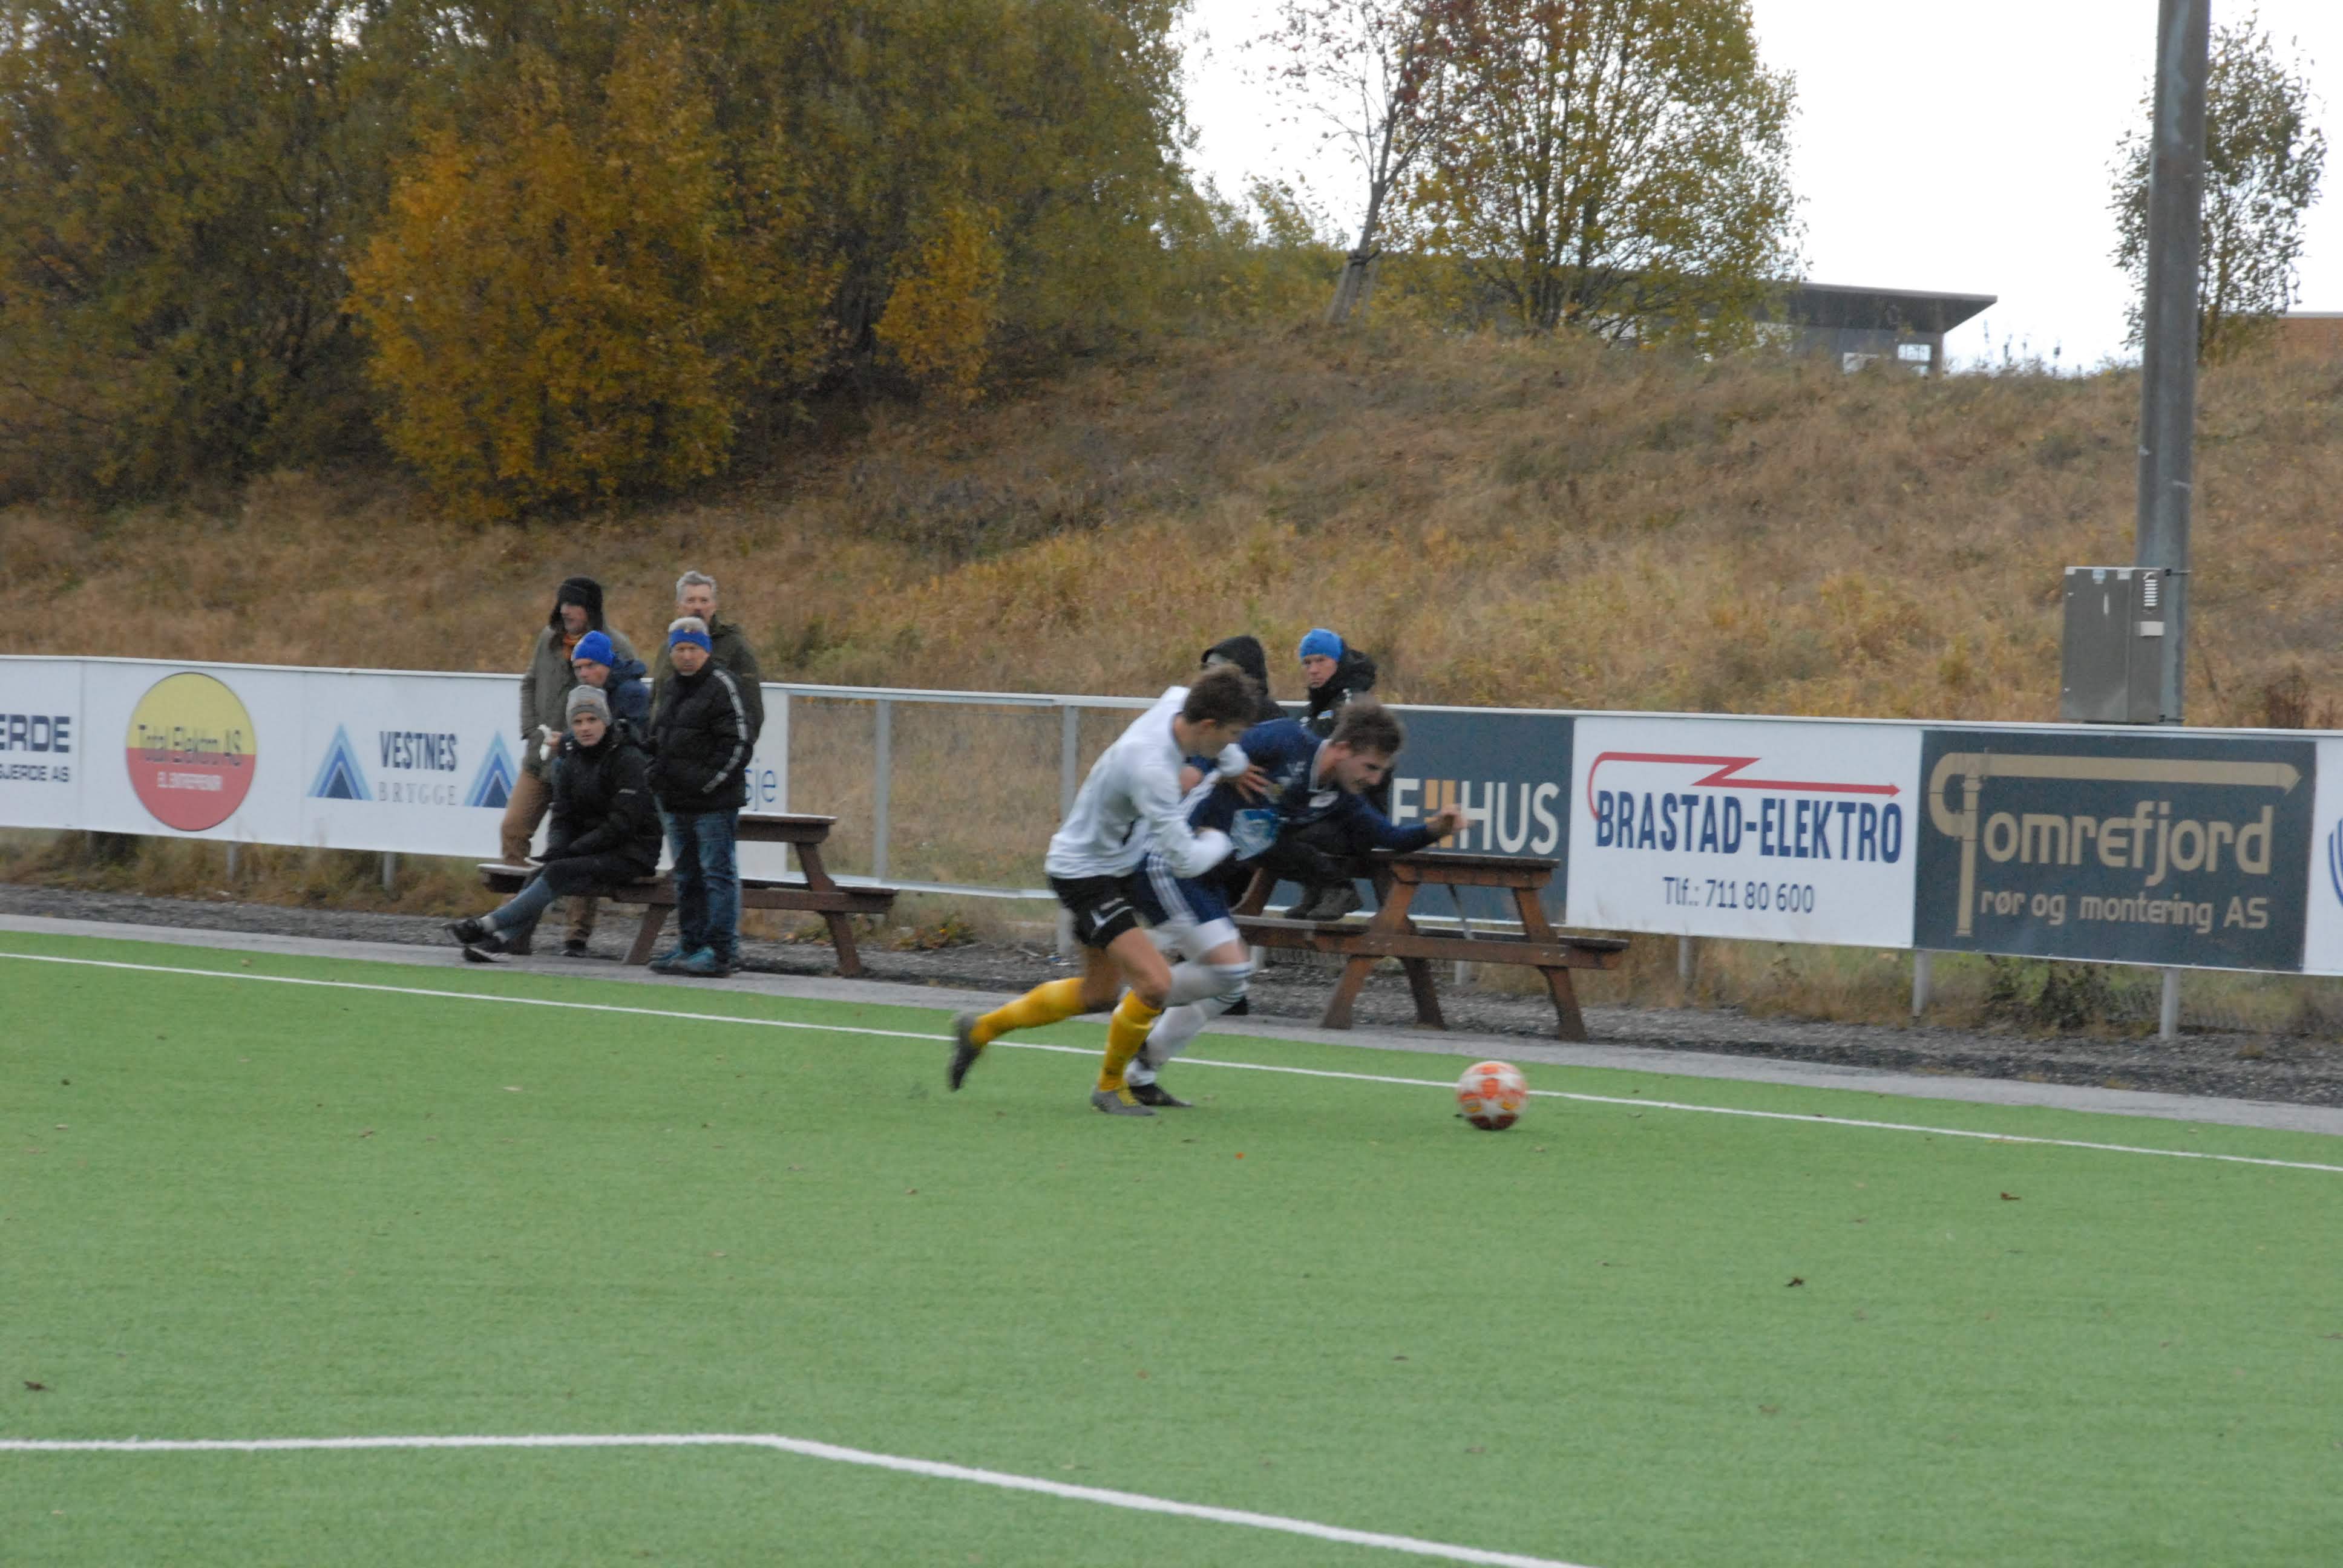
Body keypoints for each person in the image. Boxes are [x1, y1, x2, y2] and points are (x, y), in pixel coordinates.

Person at [946, 667, 1263, 1116]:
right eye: (1232, 735)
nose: (1233, 744)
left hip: (1118, 868)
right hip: (1085, 874)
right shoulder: (1152, 768)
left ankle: (979, 1031)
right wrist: (1224, 840)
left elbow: (1204, 723)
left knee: (1098, 994)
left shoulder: (1180, 701)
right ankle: (1111, 1089)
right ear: (1208, 725)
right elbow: (1187, 861)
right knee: (1156, 983)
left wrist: (1233, 764)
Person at [1130, 700, 1462, 1080]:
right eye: (1370, 767)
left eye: (1380, 772)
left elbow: (1390, 837)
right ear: (1343, 748)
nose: (1374, 780)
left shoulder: (1339, 799)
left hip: (1207, 878)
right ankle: (1134, 996)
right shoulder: (1287, 740)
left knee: (1229, 986)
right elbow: (1218, 743)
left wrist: (1436, 829)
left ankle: (1141, 1072)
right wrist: (1209, 769)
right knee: (1229, 969)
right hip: (1171, 862)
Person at [446, 687, 660, 961]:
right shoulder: (570, 760)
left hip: (631, 853)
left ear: (605, 721)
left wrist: (574, 850)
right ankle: (499, 941)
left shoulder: (629, 758)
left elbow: (623, 823)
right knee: (545, 869)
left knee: (559, 869)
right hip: (589, 851)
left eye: (592, 720)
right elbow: (562, 816)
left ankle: (483, 925)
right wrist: (558, 848)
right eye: (578, 722)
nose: (585, 728)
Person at [505, 576, 638, 864]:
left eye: (574, 604)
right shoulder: (548, 639)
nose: (565, 610)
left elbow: (623, 708)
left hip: (587, 765)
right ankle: (515, 894)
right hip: (539, 760)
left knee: (579, 843)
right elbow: (529, 682)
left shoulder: (617, 646)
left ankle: (571, 898)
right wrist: (531, 730)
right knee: (513, 829)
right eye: (563, 603)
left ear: (591, 609)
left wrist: (573, 740)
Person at [647, 616, 752, 978]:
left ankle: (721, 951)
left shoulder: (724, 685)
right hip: (675, 801)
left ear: (706, 650)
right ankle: (691, 944)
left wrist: (708, 784)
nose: (687, 656)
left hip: (713, 803)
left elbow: (738, 744)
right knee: (687, 876)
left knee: (717, 875)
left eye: (693, 648)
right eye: (680, 649)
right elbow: (659, 736)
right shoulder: (671, 686)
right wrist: (654, 771)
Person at [557, 630, 652, 955]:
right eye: (578, 668)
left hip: (626, 790)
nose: (584, 673)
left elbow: (634, 739)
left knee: (588, 844)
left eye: (590, 666)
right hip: (595, 784)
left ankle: (576, 931)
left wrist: (572, 742)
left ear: (607, 664)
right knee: (572, 840)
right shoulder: (584, 693)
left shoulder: (632, 692)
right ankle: (574, 932)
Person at [650, 570, 764, 745]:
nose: (698, 607)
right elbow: (654, 701)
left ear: (714, 606)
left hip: (712, 754)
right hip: (666, 755)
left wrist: (733, 752)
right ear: (678, 606)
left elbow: (752, 710)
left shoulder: (735, 647)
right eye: (691, 600)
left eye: (704, 601)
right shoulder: (667, 648)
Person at [1199, 635, 1286, 724]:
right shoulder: (1205, 709)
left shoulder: (1271, 719)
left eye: (1215, 669)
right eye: (1205, 668)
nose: (1207, 675)